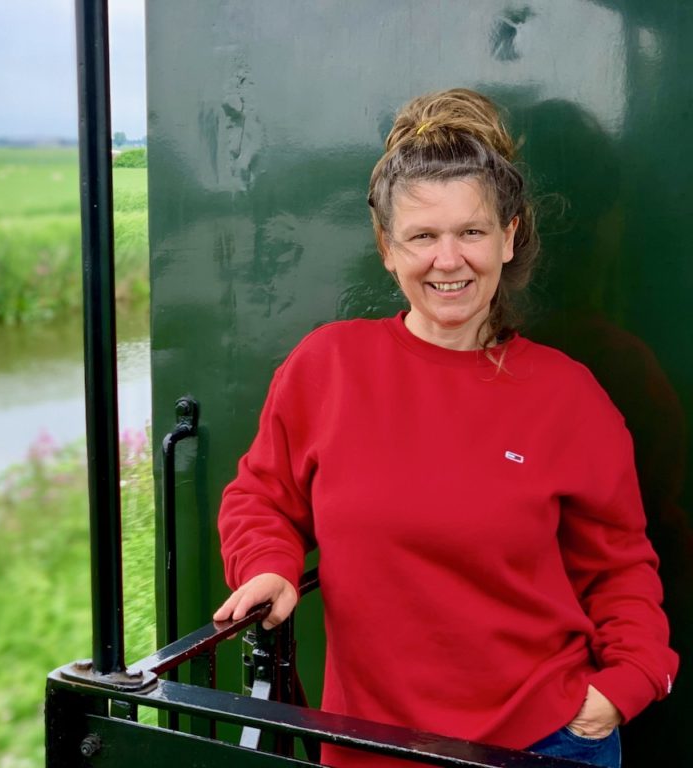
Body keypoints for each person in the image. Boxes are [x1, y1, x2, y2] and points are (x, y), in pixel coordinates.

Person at [213, 88, 678, 768]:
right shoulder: (327, 367)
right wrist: (267, 568)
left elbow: (620, 566)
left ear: (510, 235)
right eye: (423, 237)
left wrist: (630, 679)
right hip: (369, 748)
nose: (448, 260)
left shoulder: (568, 395)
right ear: (387, 248)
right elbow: (260, 496)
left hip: (545, 744)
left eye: (472, 232)